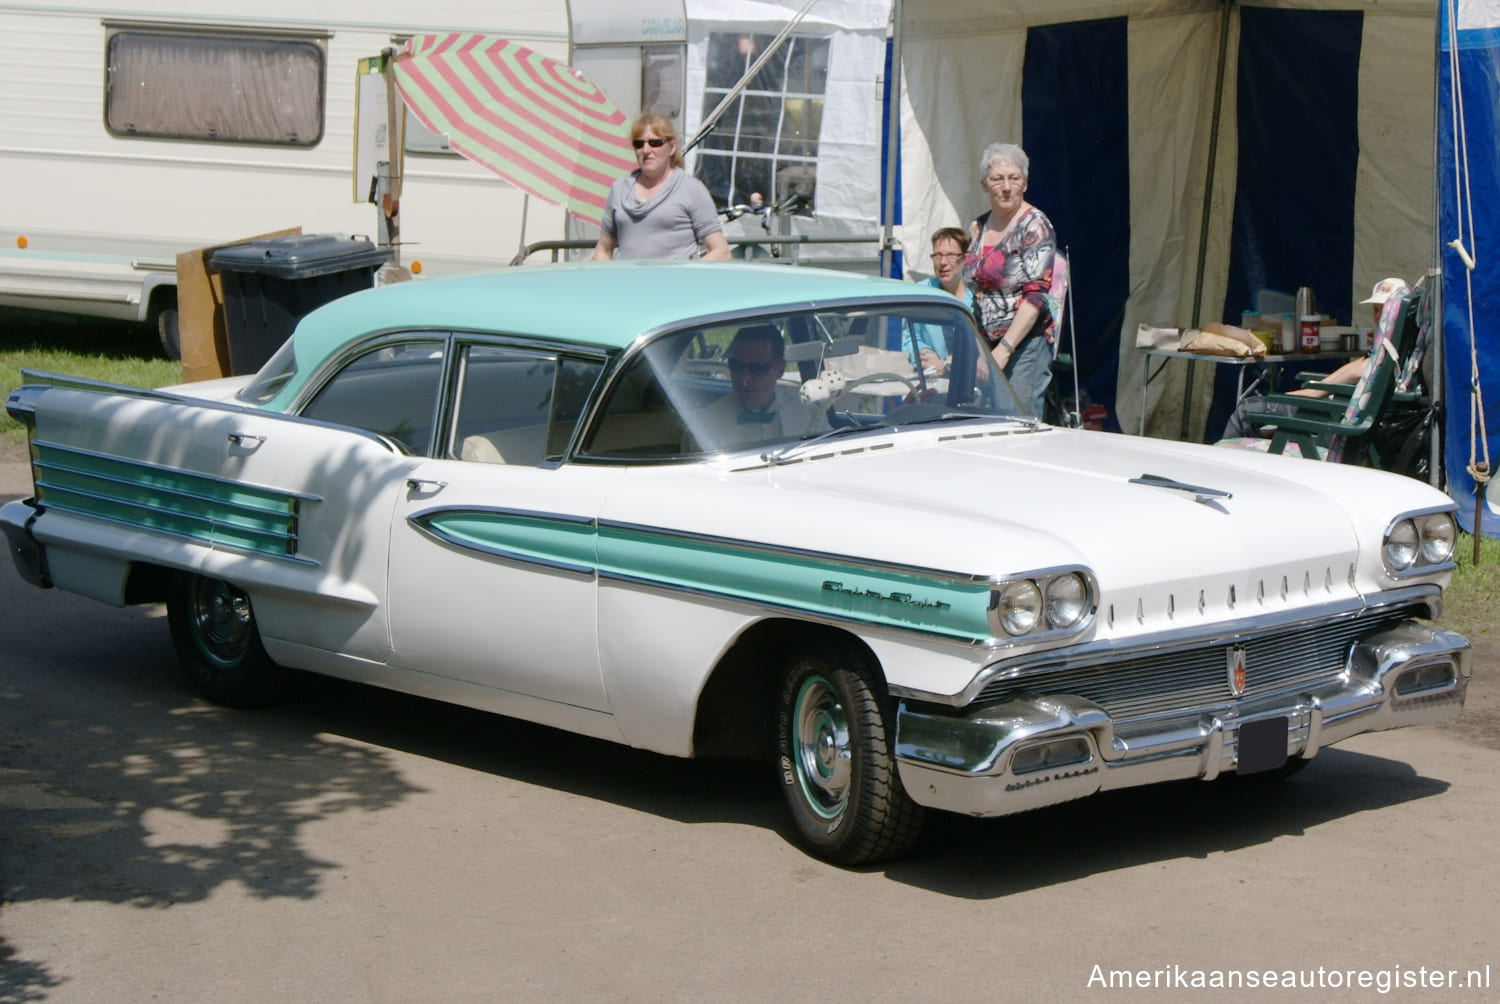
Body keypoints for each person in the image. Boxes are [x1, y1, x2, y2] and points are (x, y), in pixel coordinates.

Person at [1219, 277, 1404, 440]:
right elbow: (1362, 364)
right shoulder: (1395, 340)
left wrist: (1315, 392)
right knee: (1259, 423)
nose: (1379, 316)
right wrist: (1317, 386)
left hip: (1334, 414)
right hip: (1338, 409)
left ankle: (1223, 469)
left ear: (1397, 310)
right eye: (1375, 309)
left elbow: (1361, 369)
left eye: (1385, 310)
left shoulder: (1389, 348)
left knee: (1245, 411)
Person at [962, 142, 1057, 416]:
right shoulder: (978, 227)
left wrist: (1004, 349)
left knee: (1019, 423)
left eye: (1014, 178)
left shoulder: (1034, 225)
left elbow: (1036, 295)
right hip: (984, 345)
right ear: (984, 185)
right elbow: (974, 290)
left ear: (1024, 184)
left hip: (1023, 345)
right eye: (997, 179)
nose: (1006, 186)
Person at [593, 114, 731, 261]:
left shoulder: (691, 189)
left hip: (674, 282)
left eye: (655, 143)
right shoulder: (619, 189)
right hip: (627, 282)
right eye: (639, 144)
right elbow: (603, 249)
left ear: (672, 148)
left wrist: (684, 278)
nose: (646, 150)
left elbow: (721, 252)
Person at [691, 325, 825, 449]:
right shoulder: (704, 423)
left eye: (758, 368)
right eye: (736, 366)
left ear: (780, 369)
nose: (744, 379)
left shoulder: (807, 412)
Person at [903, 226, 973, 377]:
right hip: (933, 379)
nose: (942, 262)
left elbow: (983, 346)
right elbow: (910, 337)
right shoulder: (922, 293)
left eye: (950, 256)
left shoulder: (978, 296)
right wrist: (926, 355)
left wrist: (947, 363)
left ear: (965, 258)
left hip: (972, 377)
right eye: (937, 256)